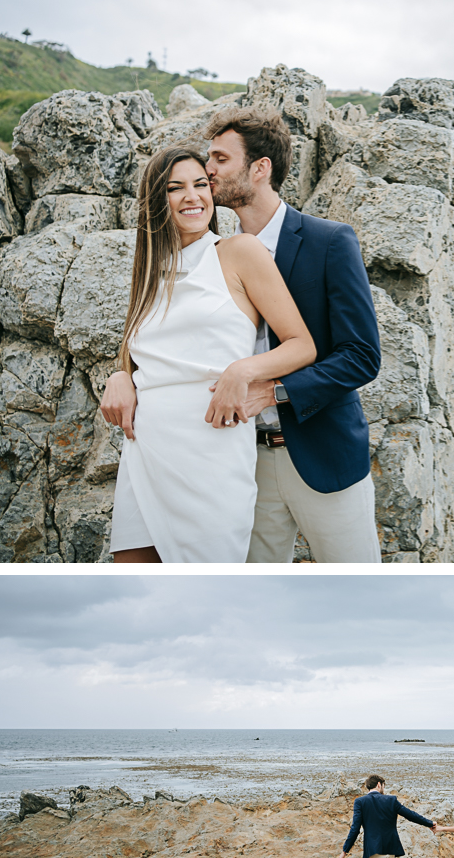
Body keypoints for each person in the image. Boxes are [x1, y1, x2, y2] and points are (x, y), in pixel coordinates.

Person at [102, 106, 383, 563]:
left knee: (356, 581)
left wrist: (272, 391)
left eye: (219, 160)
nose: (208, 171)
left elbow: (361, 356)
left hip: (318, 451)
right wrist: (122, 376)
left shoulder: (329, 241)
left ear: (260, 168)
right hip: (240, 452)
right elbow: (166, 341)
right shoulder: (204, 251)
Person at [101, 145, 316, 563]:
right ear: (156, 200)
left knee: (208, 588)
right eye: (175, 188)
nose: (192, 196)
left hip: (212, 449)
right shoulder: (149, 267)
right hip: (147, 447)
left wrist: (242, 371)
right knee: (134, 582)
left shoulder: (238, 252)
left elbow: (301, 345)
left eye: (201, 184)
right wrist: (120, 375)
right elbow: (142, 349)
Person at [339, 775, 437, 858]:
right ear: (379, 784)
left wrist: (345, 850)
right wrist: (430, 823)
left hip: (374, 850)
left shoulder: (360, 802)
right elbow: (410, 815)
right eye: (384, 786)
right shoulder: (391, 800)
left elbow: (355, 829)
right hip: (391, 849)